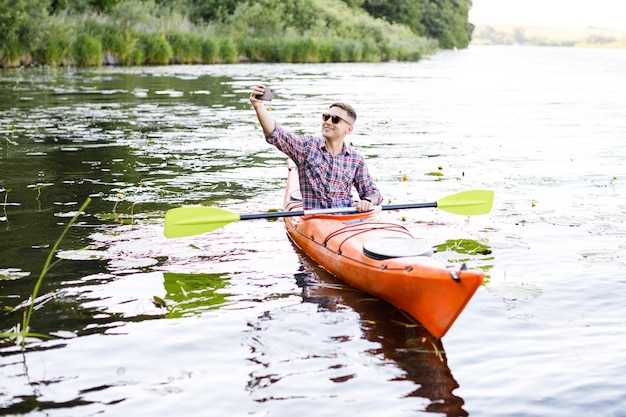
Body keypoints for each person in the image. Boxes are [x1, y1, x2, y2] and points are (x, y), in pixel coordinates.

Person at [249, 84, 382, 213]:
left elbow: (372, 192)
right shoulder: (307, 147)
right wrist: (258, 107)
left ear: (349, 129)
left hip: (346, 220)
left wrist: (368, 201)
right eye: (326, 117)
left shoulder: (356, 159)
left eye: (335, 119)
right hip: (316, 221)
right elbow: (277, 134)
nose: (328, 122)